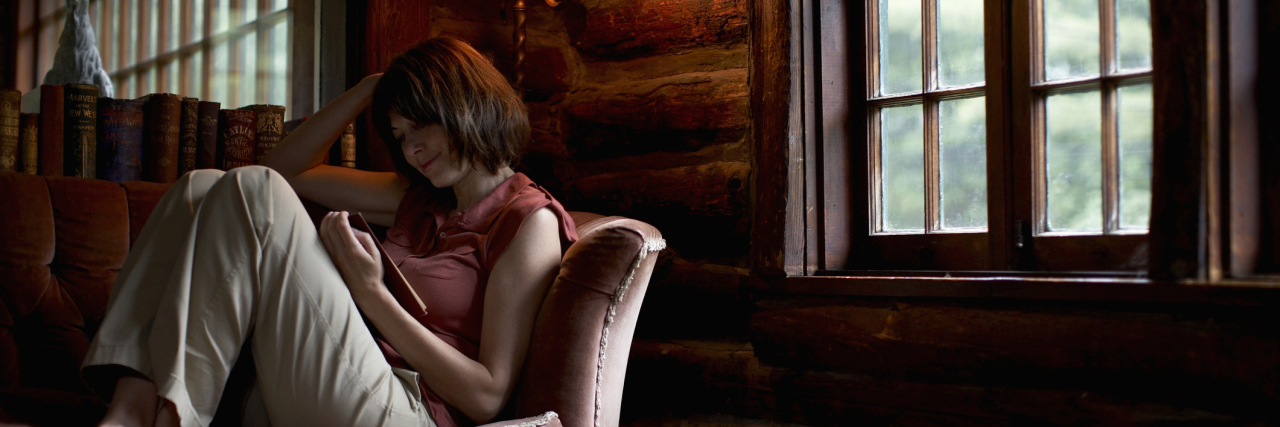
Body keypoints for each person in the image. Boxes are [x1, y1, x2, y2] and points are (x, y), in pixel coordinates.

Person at [83, 37, 577, 427]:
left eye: (419, 126)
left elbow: (488, 397)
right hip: (328, 385)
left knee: (253, 190)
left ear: (462, 106)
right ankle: (130, 408)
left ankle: (171, 418)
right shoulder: (416, 197)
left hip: (410, 410)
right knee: (199, 187)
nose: (410, 151)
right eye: (399, 136)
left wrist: (370, 293)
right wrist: (370, 87)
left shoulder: (528, 220)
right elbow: (284, 170)